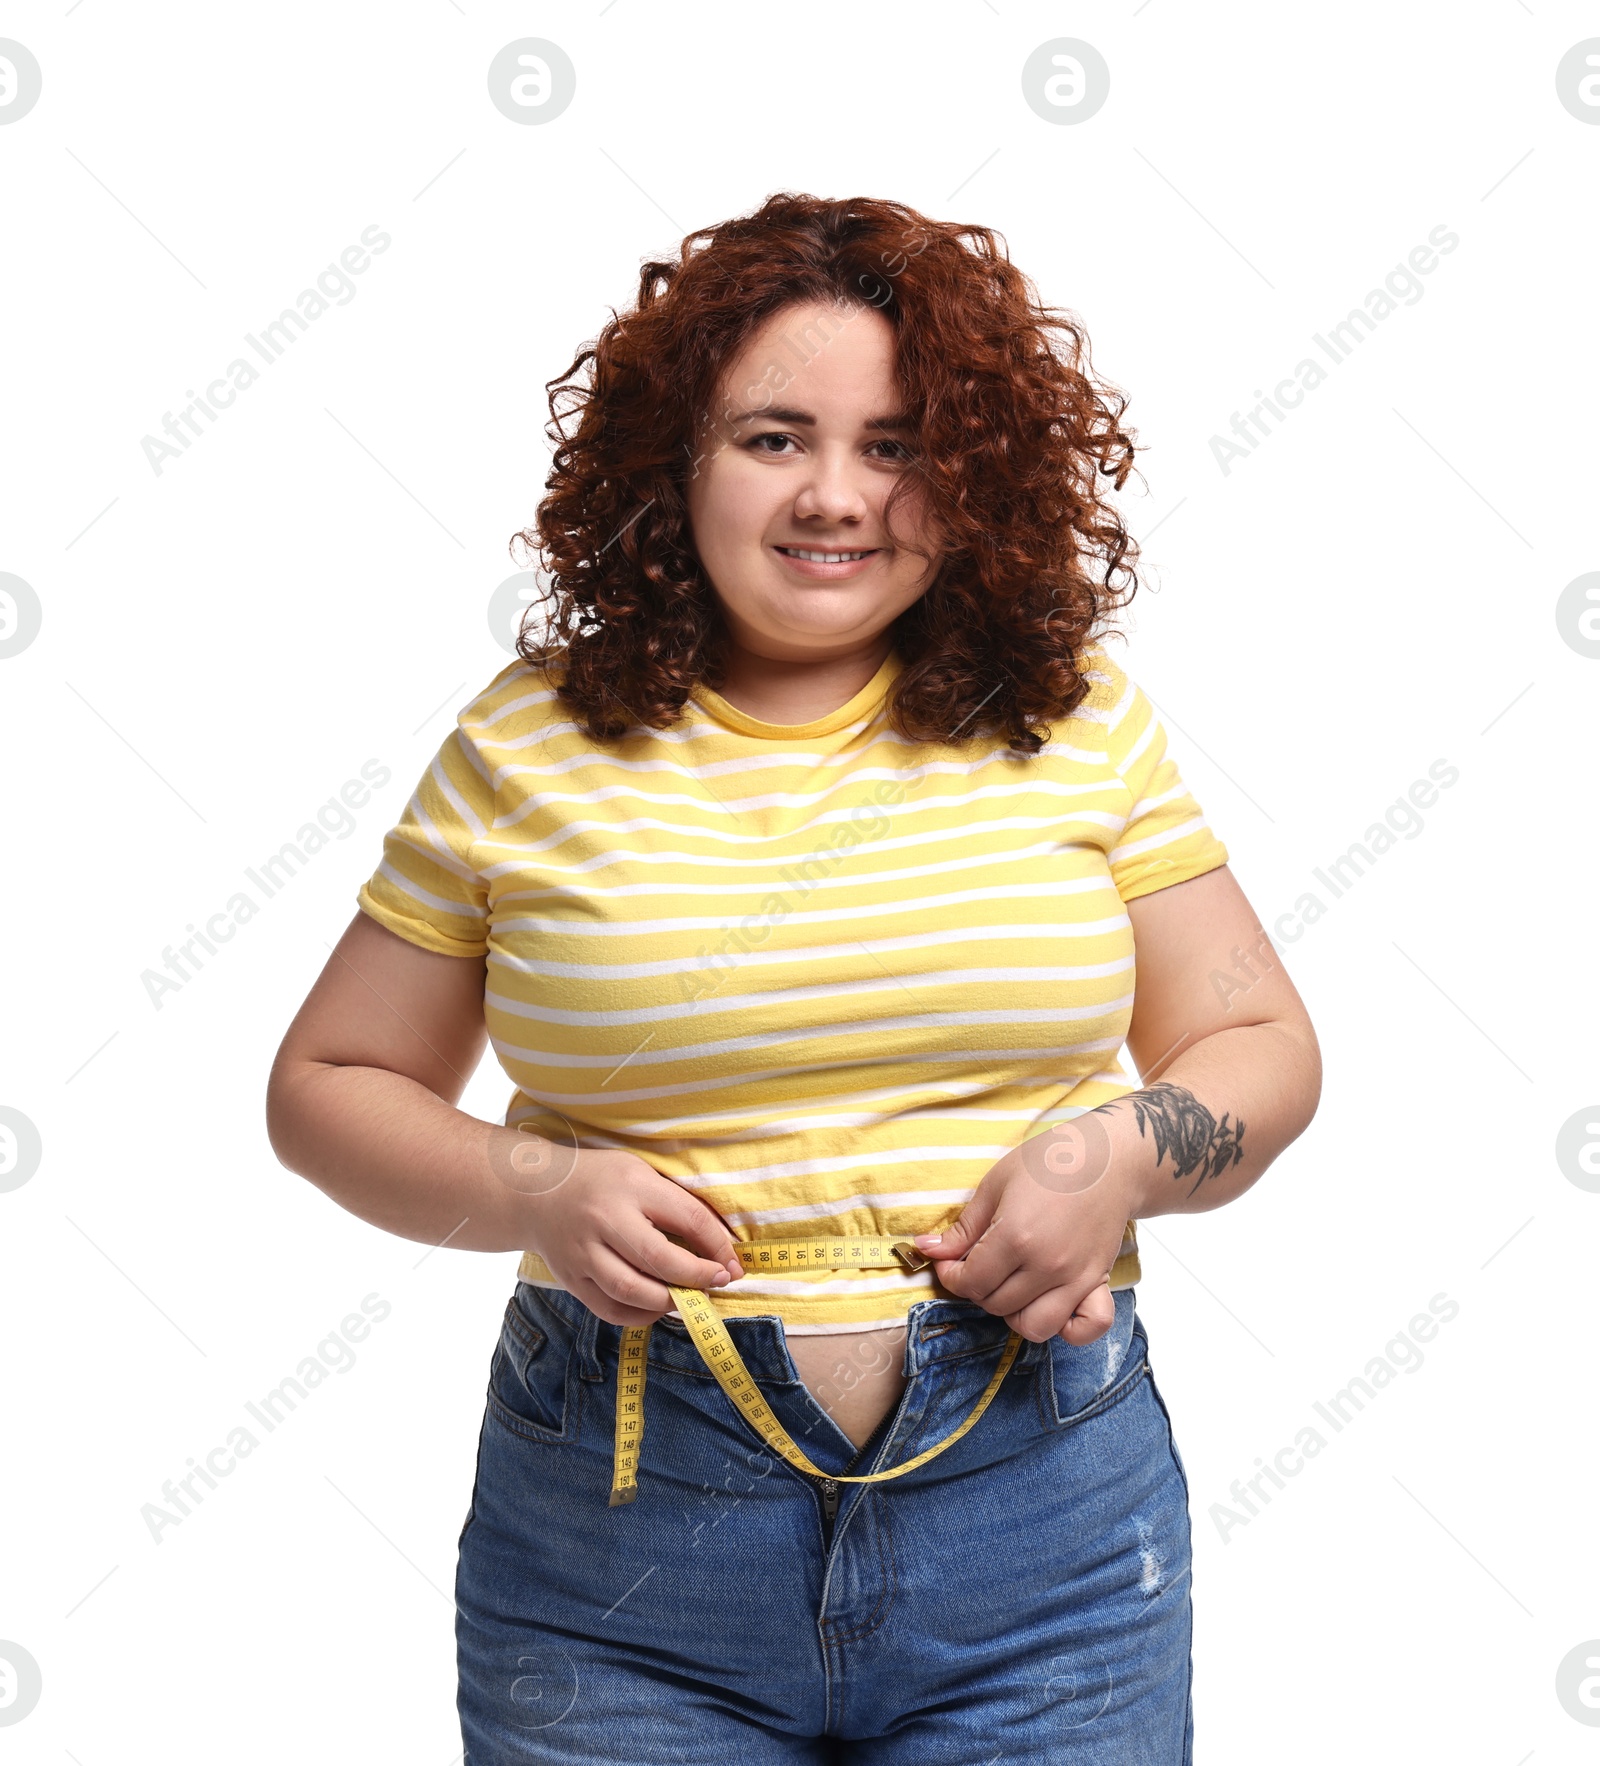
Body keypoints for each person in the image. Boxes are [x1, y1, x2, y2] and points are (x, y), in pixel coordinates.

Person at [266, 191, 1321, 1762]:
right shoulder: (525, 740)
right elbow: (327, 1085)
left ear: (970, 477)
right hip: (618, 1565)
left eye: (896, 444)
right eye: (774, 436)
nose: (837, 496)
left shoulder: (1078, 721)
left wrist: (1114, 1159)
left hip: (1047, 1542)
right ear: (672, 462)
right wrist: (535, 1184)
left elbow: (1257, 1037)